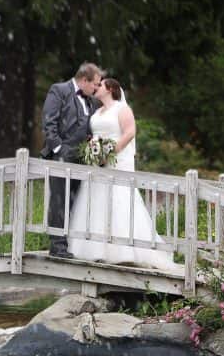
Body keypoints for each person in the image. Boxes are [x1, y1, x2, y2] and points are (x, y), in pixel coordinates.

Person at [68, 78, 179, 273]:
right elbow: (94, 135)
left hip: (116, 161)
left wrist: (109, 152)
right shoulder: (98, 112)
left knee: (120, 200)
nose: (97, 88)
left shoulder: (122, 109)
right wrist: (93, 149)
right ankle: (97, 249)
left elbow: (129, 133)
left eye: (100, 85)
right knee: (98, 201)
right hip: (99, 164)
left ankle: (125, 251)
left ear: (110, 89)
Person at [41, 62, 102, 258]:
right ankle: (57, 247)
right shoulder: (59, 90)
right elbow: (49, 122)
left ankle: (72, 246)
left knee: (76, 202)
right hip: (61, 157)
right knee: (59, 201)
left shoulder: (92, 102)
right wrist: (59, 149)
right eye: (95, 84)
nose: (96, 88)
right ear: (84, 80)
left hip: (82, 160)